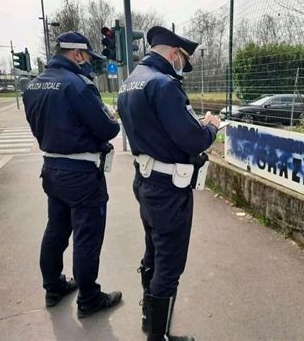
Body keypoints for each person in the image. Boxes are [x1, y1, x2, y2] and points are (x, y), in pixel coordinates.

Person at [118, 26, 220, 340]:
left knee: (153, 252)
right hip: (168, 189)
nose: (182, 67)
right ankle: (157, 337)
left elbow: (156, 130)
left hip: (146, 181)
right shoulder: (163, 85)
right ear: (175, 53)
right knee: (169, 264)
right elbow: (191, 139)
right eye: (183, 60)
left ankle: (151, 322)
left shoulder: (131, 82)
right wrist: (211, 128)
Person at [23, 31, 122, 318]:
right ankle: (89, 299)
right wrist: (110, 117)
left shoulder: (34, 86)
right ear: (77, 54)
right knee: (87, 237)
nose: (89, 62)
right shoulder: (79, 86)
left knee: (56, 230)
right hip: (81, 174)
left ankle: (53, 287)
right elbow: (108, 129)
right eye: (89, 57)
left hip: (52, 170)